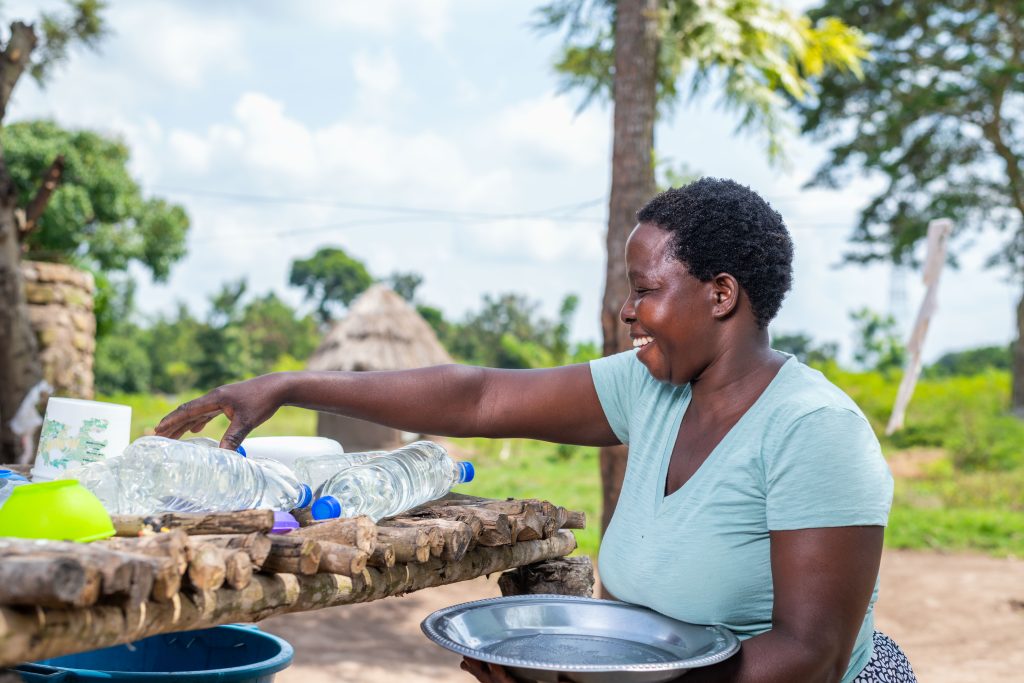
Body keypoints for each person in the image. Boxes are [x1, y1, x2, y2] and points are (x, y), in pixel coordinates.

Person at [156, 178, 916, 682]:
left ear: (721, 295)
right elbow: (480, 396)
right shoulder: (654, 389)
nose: (627, 311)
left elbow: (807, 655)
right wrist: (292, 383)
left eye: (645, 289)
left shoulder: (813, 432)